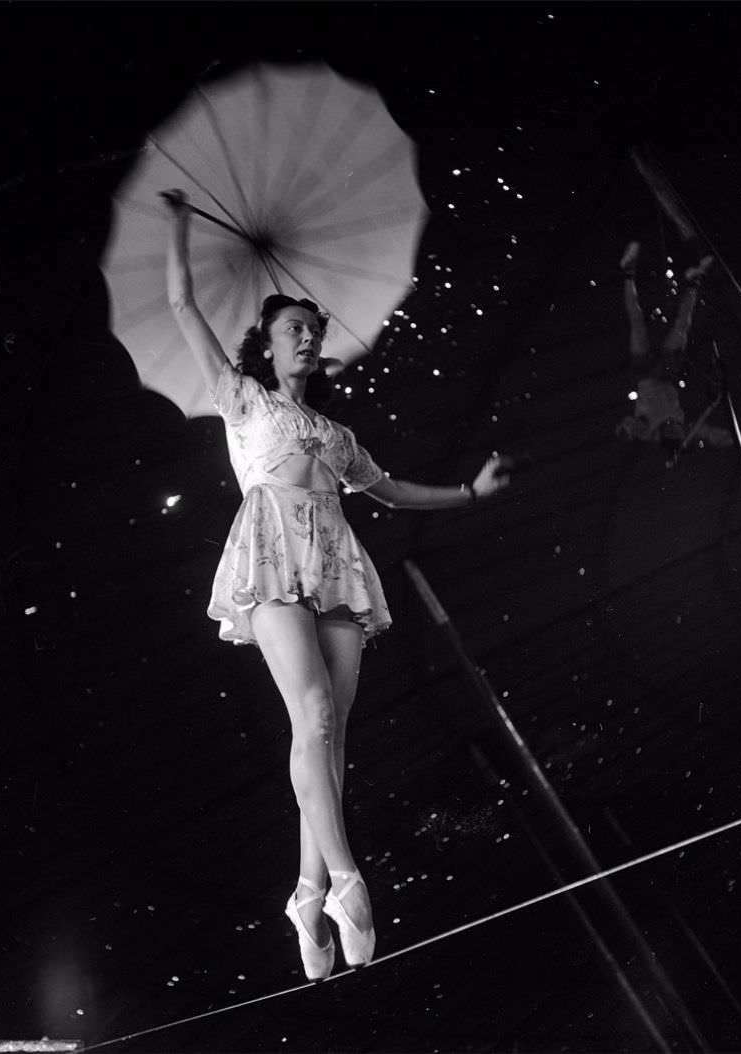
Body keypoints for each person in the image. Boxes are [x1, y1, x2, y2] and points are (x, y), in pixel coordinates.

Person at [162, 189, 512, 980]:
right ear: (268, 343)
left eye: (314, 333)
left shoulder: (339, 435)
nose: (308, 339)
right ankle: (349, 880)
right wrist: (180, 225)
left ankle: (306, 888)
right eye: (295, 329)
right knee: (313, 712)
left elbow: (388, 492)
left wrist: (468, 494)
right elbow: (182, 302)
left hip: (335, 561)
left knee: (332, 737)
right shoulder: (240, 397)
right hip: (271, 549)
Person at [616, 241, 732, 454]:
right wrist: (738, 441)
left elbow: (628, 425)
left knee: (637, 322)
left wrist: (628, 427)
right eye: (677, 431)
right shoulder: (683, 428)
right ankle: (693, 281)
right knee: (683, 325)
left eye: (670, 431)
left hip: (644, 374)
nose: (674, 427)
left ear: (663, 435)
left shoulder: (648, 431)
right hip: (667, 373)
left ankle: (628, 272)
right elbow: (708, 433)